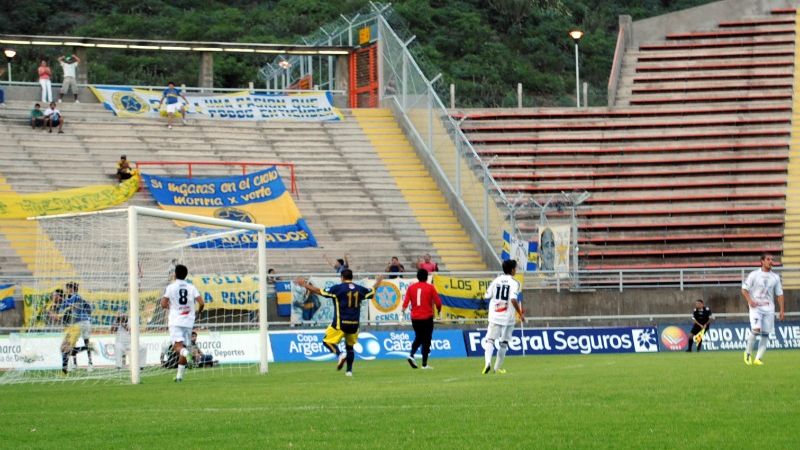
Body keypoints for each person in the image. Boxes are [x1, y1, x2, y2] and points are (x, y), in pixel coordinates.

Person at [295, 270, 382, 377]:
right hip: (354, 324)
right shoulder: (359, 289)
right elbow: (372, 291)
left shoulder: (338, 288)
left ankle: (340, 354)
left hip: (341, 324)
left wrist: (305, 285)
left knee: (326, 341)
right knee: (349, 347)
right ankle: (349, 371)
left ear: (342, 277)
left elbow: (318, 291)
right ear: (351, 277)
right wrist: (379, 281)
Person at [160, 264, 204, 381]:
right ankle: (179, 376)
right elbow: (201, 303)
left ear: (175, 274)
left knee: (178, 347)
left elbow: (163, 304)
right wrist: (198, 312)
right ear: (186, 275)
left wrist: (172, 307)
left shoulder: (171, 287)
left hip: (175, 321)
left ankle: (187, 355)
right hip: (188, 322)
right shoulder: (191, 287)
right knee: (184, 347)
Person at [741, 253, 785, 366]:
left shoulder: (775, 277)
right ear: (762, 261)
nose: (771, 261)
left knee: (765, 334)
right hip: (756, 307)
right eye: (768, 259)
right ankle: (747, 353)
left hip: (769, 309)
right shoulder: (754, 275)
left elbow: (780, 294)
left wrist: (781, 310)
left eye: (772, 260)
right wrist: (750, 301)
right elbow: (744, 289)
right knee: (756, 330)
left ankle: (758, 358)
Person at [482, 260, 523, 375]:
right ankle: (496, 368)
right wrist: (520, 313)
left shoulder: (496, 280)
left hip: (495, 316)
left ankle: (487, 363)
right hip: (508, 318)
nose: (516, 270)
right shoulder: (515, 283)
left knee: (490, 340)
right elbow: (513, 299)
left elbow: (487, 295)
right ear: (512, 270)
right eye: (516, 268)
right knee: (504, 343)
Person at [402, 268, 442, 369]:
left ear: (417, 277)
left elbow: (406, 302)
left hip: (415, 318)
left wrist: (402, 313)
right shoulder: (430, 287)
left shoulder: (411, 288)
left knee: (419, 337)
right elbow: (438, 302)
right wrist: (439, 310)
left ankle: (411, 355)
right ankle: (424, 364)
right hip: (427, 317)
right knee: (426, 339)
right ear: (427, 277)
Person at [59, 282, 94, 373]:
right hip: (86, 322)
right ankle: (90, 363)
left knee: (71, 343)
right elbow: (89, 309)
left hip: (78, 323)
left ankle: (74, 364)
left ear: (71, 289)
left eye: (68, 288)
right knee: (86, 342)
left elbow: (62, 307)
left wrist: (63, 306)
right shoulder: (81, 298)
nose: (67, 290)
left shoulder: (73, 297)